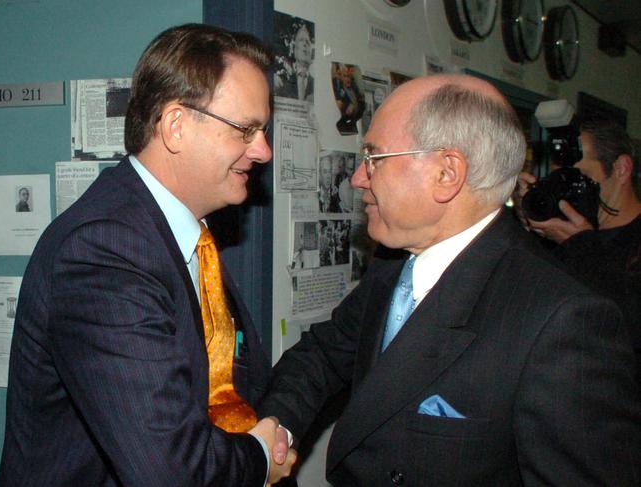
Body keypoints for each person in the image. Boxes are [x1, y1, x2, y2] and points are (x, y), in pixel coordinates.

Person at [259, 74, 641, 485]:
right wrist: (274, 431)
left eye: (374, 157)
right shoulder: (393, 265)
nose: (357, 178)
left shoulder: (564, 320)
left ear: (446, 173)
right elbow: (322, 355)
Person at [0, 24, 295, 487]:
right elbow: (168, 469)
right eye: (245, 130)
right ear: (176, 125)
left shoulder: (186, 236)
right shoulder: (105, 250)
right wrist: (259, 458)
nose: (263, 150)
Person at [518, 115, 641, 384]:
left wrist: (580, 245)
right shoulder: (558, 235)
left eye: (580, 178)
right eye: (560, 179)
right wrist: (528, 229)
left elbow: (627, 326)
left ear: (621, 168)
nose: (569, 190)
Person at [274, 22, 314, 102]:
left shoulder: (316, 85)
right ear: (293, 48)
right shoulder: (281, 78)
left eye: (308, 41)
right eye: (301, 40)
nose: (305, 44)